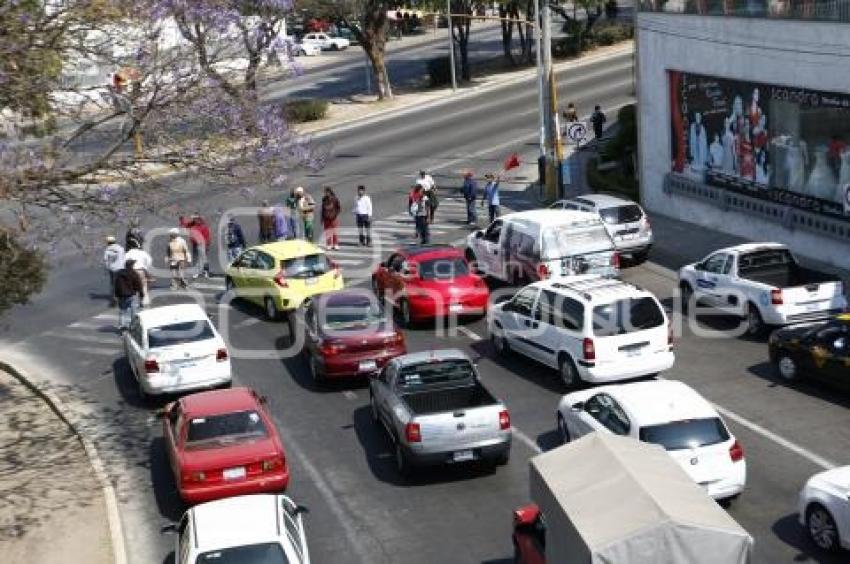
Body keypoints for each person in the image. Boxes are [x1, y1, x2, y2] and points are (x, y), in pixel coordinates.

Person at [114, 258, 144, 331]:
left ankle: (122, 327)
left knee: (122, 311)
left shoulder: (119, 273)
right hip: (131, 295)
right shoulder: (134, 273)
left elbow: (116, 285)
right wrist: (141, 294)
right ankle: (133, 328)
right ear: (132, 265)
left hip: (121, 295)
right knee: (133, 312)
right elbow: (138, 285)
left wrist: (116, 295)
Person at [124, 240, 153, 306]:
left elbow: (124, 263)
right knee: (143, 286)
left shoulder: (128, 253)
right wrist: (145, 267)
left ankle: (133, 302)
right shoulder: (142, 253)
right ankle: (144, 301)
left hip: (131, 271)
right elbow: (149, 260)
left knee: (131, 287)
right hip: (140, 271)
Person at [103, 236, 125, 306]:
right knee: (121, 283)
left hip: (112, 269)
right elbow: (123, 258)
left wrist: (106, 269)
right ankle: (122, 298)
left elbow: (106, 261)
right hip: (121, 268)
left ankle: (114, 300)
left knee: (113, 284)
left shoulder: (107, 250)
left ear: (108, 242)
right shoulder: (121, 249)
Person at [188, 213, 211, 278]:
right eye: (194, 219)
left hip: (202, 245)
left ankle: (206, 271)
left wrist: (206, 245)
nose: (195, 220)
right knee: (196, 258)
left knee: (204, 258)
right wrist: (193, 240)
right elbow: (191, 236)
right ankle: (196, 272)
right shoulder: (193, 227)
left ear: (199, 219)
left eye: (196, 219)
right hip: (195, 245)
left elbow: (207, 237)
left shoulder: (204, 227)